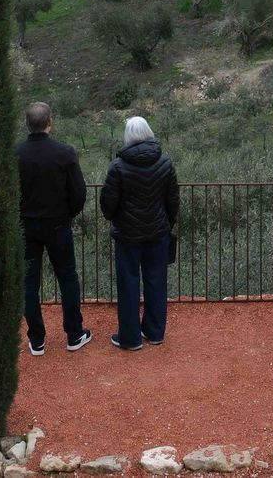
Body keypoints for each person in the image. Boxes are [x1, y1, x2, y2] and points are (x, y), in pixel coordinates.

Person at [15, 102, 92, 355]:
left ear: (28, 124)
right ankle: (74, 334)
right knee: (68, 277)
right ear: (50, 122)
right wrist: (68, 214)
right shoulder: (65, 152)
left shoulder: (15, 154)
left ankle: (37, 339)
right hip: (58, 224)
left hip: (26, 226)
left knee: (29, 282)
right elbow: (79, 192)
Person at [100, 115, 180, 351]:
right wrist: (167, 222)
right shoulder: (165, 162)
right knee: (156, 281)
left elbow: (108, 204)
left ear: (128, 136)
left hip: (127, 235)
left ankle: (130, 338)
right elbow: (173, 199)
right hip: (158, 233)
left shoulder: (117, 167)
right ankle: (155, 333)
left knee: (128, 283)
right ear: (148, 133)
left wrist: (115, 218)